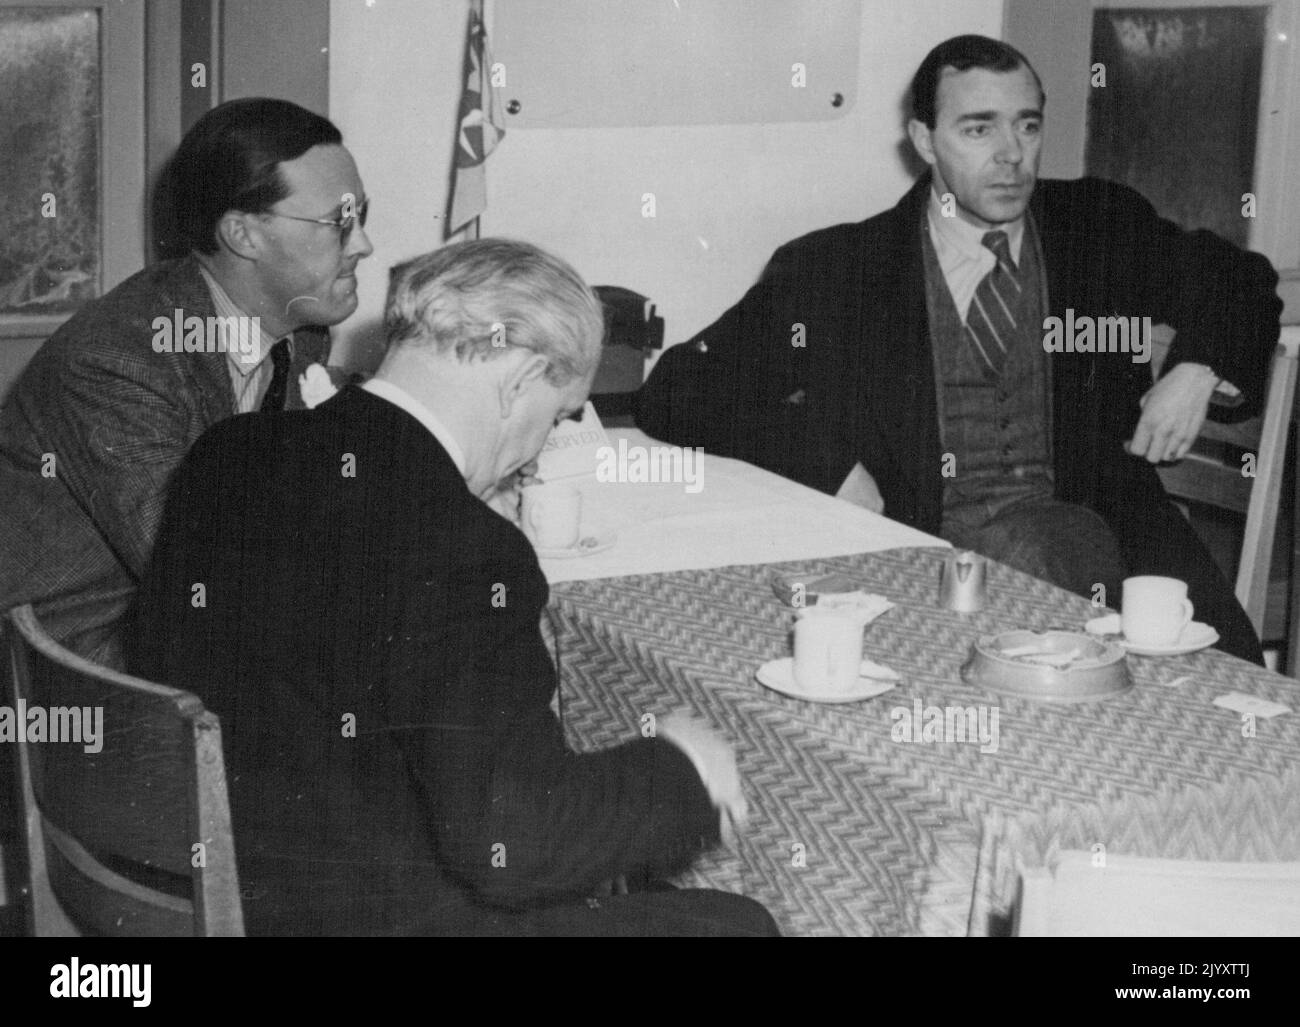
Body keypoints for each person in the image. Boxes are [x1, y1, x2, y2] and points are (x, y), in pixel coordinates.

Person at [127, 238, 777, 937]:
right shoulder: (466, 548)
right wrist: (679, 772)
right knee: (739, 923)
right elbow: (514, 845)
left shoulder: (232, 451)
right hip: (368, 919)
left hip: (227, 883)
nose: (537, 450)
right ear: (520, 379)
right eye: (558, 417)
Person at [636, 34, 1281, 664]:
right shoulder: (838, 268)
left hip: (1105, 547)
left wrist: (1198, 368)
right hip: (924, 564)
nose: (1011, 156)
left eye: (1027, 127)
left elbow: (1241, 281)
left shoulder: (1099, 226)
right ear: (924, 142)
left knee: (1243, 702)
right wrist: (824, 460)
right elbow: (679, 389)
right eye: (979, 129)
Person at [0, 98, 372, 667]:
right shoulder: (115, 361)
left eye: (362, 216)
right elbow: (201, 573)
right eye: (339, 223)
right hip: (86, 669)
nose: (363, 244)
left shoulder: (301, 330)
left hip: (203, 626)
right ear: (243, 235)